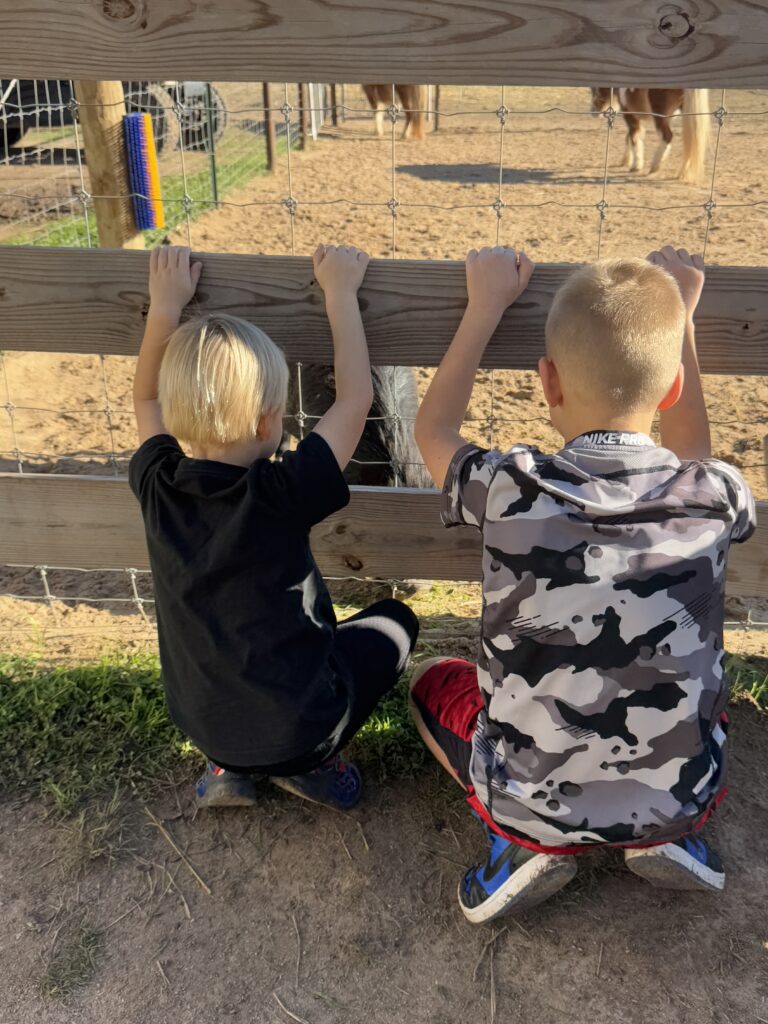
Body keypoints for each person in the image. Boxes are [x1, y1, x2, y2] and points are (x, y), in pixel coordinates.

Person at [412, 244, 755, 923]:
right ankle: (669, 831)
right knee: (690, 697)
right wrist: (680, 320)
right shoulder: (712, 494)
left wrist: (484, 307)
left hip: (528, 797)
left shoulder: (509, 486)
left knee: (432, 683)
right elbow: (694, 456)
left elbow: (432, 430)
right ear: (674, 389)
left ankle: (521, 846)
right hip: (683, 789)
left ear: (548, 382)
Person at [129, 244, 418, 812]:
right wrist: (339, 292)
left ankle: (228, 769)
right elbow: (355, 401)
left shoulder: (157, 486)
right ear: (269, 421)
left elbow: (144, 396)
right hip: (304, 730)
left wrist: (165, 306)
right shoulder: (280, 492)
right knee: (396, 621)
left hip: (202, 724)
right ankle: (316, 768)